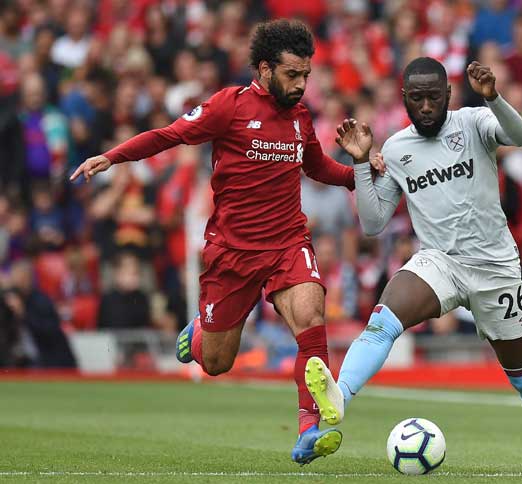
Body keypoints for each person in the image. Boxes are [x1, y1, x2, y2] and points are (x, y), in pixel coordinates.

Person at [70, 19, 382, 465]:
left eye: (306, 76)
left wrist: (361, 171)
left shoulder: (300, 117)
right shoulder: (228, 107)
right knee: (216, 362)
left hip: (288, 242)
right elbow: (168, 135)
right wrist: (112, 157)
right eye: (292, 75)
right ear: (263, 68)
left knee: (312, 318)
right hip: (233, 253)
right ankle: (199, 333)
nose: (301, 85)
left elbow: (315, 168)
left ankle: (308, 431)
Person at [304, 58, 522, 471]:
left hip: (495, 267)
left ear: (448, 96)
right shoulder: (396, 149)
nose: (427, 106)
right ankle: (339, 396)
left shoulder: (473, 122)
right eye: (417, 98)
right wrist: (361, 161)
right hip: (439, 263)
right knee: (382, 321)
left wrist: (493, 98)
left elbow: (520, 136)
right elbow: (375, 223)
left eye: (434, 96)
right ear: (405, 100)